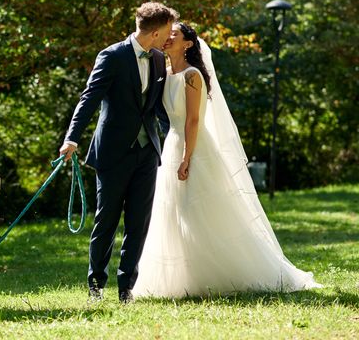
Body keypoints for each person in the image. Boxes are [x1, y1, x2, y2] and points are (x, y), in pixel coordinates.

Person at [132, 22, 321, 298]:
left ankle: (223, 272)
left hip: (193, 145)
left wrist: (187, 157)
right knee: (173, 210)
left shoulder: (192, 75)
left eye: (175, 35)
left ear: (187, 44)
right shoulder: (166, 72)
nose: (168, 38)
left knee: (201, 209)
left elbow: (194, 120)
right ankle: (181, 278)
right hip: (171, 143)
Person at [59, 1, 176, 304]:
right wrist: (71, 139)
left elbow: (158, 108)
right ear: (154, 31)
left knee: (138, 223)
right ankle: (96, 285)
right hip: (112, 153)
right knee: (106, 221)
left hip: (148, 152)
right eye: (166, 32)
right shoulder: (112, 56)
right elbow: (89, 99)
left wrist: (178, 137)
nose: (169, 37)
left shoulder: (161, 60)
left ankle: (127, 289)